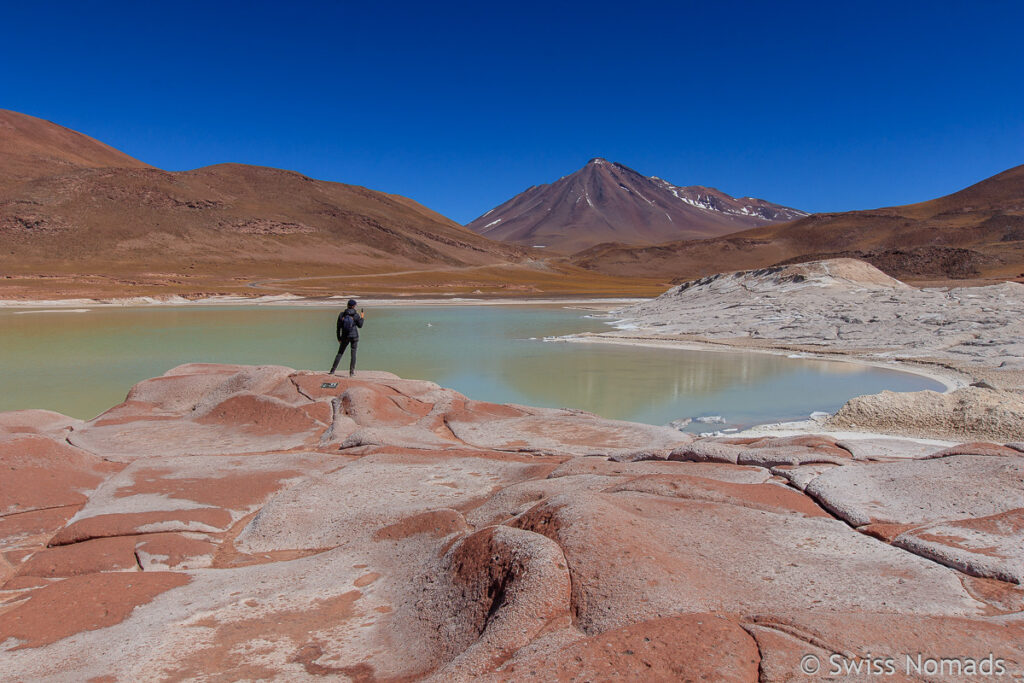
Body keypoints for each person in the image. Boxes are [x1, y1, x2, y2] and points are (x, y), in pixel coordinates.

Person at [330, 299, 364, 376]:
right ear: (354, 306)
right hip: (354, 337)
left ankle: (332, 371)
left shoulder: (342, 315)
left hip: (344, 337)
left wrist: (338, 338)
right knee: (353, 354)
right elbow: (360, 325)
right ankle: (351, 372)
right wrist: (362, 318)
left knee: (340, 353)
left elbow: (338, 328)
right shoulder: (356, 315)